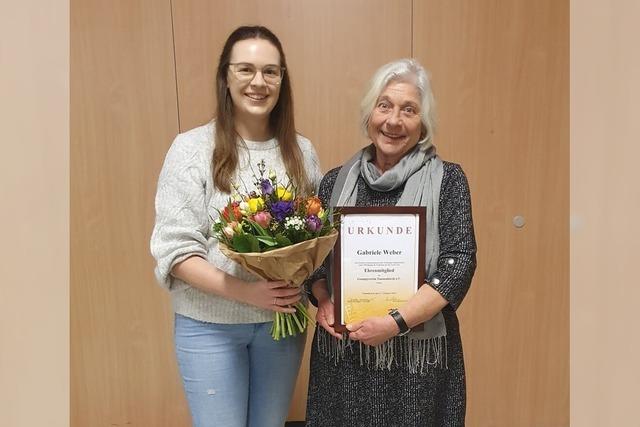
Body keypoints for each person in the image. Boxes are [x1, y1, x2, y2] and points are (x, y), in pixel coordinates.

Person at [150, 26, 322, 427]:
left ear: (283, 80)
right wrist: (249, 292)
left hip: (280, 327)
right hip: (209, 328)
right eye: (245, 69)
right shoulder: (192, 149)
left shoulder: (302, 151)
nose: (258, 82)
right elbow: (176, 252)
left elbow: (314, 239)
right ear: (225, 77)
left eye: (271, 71)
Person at [305, 59, 477, 426]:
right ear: (370, 113)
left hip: (417, 364)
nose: (393, 121)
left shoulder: (448, 181)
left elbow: (459, 262)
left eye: (409, 110)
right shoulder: (335, 181)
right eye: (384, 106)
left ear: (423, 124)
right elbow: (316, 263)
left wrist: (396, 322)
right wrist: (322, 299)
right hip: (344, 358)